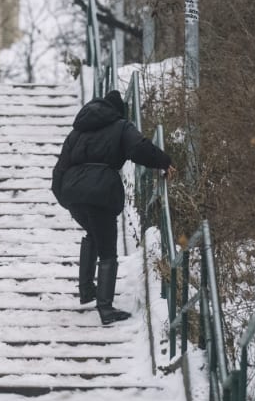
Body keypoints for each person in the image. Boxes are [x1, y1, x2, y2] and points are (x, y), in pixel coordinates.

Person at [52, 90, 175, 325]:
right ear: (118, 111)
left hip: (73, 192)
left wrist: (63, 196)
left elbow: (60, 167)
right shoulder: (120, 126)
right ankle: (105, 308)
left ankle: (87, 290)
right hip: (100, 192)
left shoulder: (77, 132)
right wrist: (164, 161)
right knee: (108, 249)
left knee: (93, 234)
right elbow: (139, 148)